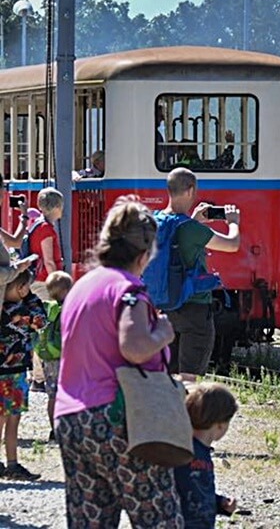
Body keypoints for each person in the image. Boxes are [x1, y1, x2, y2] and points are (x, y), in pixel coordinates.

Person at [57, 197, 183, 527]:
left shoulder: (81, 288)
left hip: (72, 420)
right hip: (121, 418)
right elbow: (135, 347)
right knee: (159, 519)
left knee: (90, 522)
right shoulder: (129, 290)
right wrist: (164, 334)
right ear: (144, 255)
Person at [152, 168, 241, 378]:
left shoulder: (155, 221)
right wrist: (233, 223)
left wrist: (194, 220)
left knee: (169, 375)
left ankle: (170, 410)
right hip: (194, 308)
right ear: (191, 190)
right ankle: (187, 411)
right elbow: (231, 245)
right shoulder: (191, 229)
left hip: (164, 306)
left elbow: (176, 239)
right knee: (189, 377)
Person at [175, 383, 239, 529]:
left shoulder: (199, 451)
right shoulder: (185, 451)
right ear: (220, 425)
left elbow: (198, 489)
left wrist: (219, 503)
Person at [0, 270, 39, 481]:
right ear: (21, 288)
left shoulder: (2, 309)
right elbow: (41, 321)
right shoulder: (22, 312)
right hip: (14, 374)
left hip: (2, 371)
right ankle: (12, 464)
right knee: (13, 419)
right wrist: (31, 298)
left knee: (0, 418)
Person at [34, 270, 72, 441]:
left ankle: (53, 430)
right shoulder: (67, 309)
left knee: (52, 395)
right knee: (66, 394)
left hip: (48, 357)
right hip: (64, 357)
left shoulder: (47, 308)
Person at [29, 187, 64, 301]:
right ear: (56, 207)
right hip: (44, 282)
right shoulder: (46, 229)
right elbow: (48, 261)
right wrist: (56, 285)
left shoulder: (38, 224)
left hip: (39, 279)